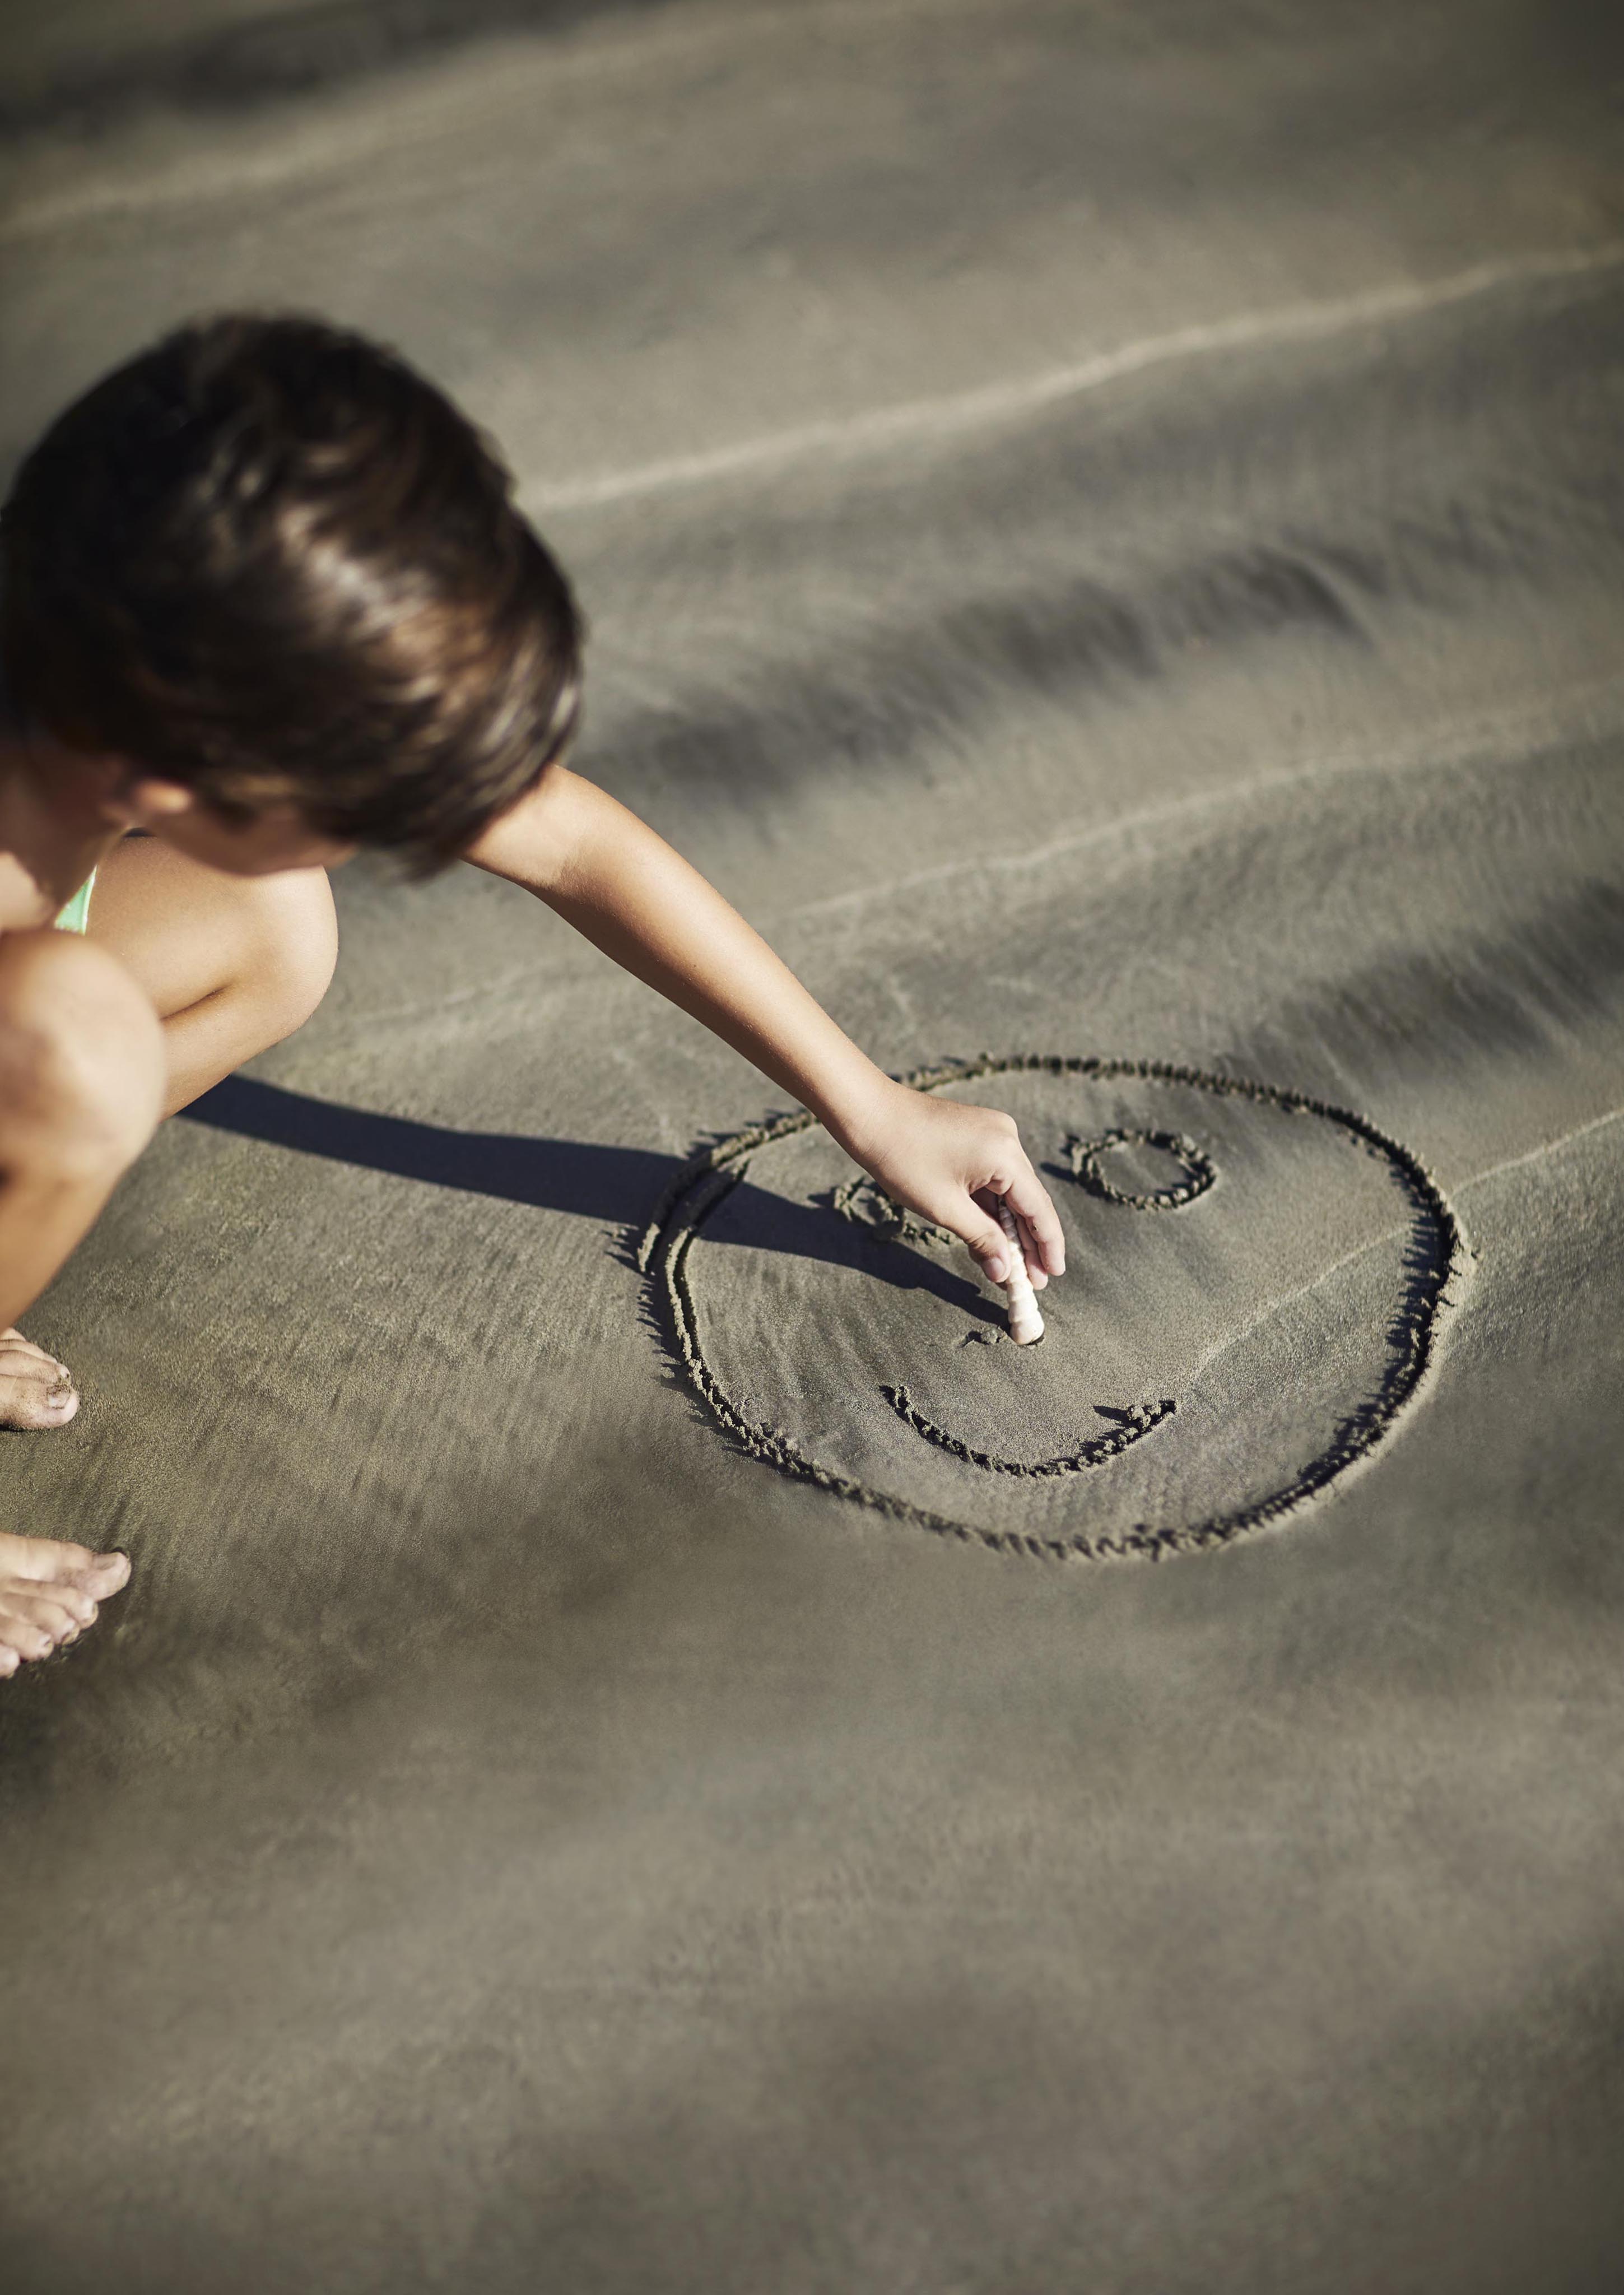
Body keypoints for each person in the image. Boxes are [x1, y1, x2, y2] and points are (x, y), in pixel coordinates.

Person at [0, 313, 1064, 1677]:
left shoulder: (108, 667)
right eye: (366, 814)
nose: (414, 839)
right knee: (73, 1046)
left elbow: (566, 837)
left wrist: (871, 1105)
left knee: (272, 923)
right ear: (171, 783)